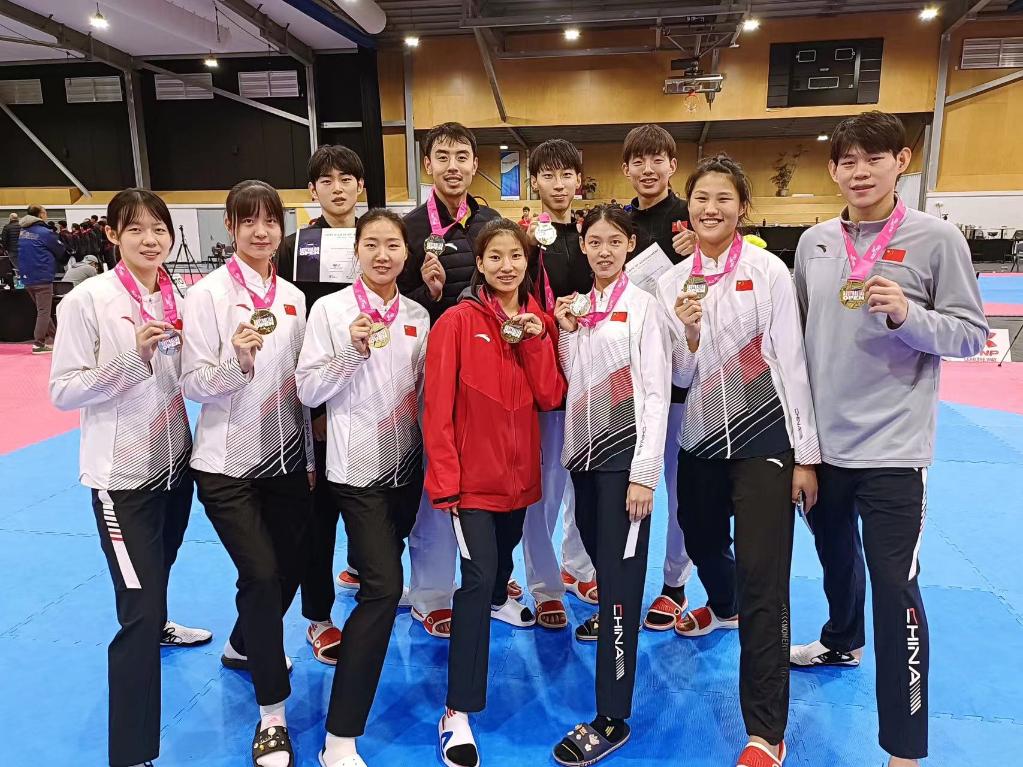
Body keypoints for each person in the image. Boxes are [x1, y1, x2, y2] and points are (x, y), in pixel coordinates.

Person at [790, 111, 988, 767]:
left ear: (901, 161)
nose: (860, 172)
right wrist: (799, 446)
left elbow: (970, 334)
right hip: (822, 450)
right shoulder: (815, 243)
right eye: (847, 161)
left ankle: (904, 750)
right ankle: (840, 640)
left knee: (895, 590)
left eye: (873, 159)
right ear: (832, 169)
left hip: (894, 452)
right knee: (835, 562)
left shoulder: (936, 239)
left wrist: (909, 316)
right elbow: (796, 342)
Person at [657, 155, 820, 767]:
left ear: (742, 209)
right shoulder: (673, 283)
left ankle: (765, 731)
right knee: (699, 538)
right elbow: (677, 375)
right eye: (701, 198)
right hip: (699, 440)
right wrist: (689, 335)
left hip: (765, 441)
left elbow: (791, 362)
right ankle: (722, 606)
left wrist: (806, 455)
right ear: (688, 207)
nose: (711, 208)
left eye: (723, 198)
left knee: (763, 578)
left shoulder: (767, 270)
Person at [49, 188, 212, 767]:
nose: (150, 239)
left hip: (175, 466)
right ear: (113, 235)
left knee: (158, 572)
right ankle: (132, 751)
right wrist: (130, 360)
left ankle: (161, 622)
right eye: (136, 229)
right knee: (136, 610)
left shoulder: (179, 295)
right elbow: (63, 390)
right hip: (121, 477)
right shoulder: (88, 300)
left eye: (159, 229)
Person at [181, 180, 315, 767]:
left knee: (289, 571)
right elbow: (191, 383)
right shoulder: (206, 294)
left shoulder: (294, 297)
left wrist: (309, 459)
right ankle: (272, 714)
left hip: (286, 459)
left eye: (270, 221)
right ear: (231, 228)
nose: (261, 232)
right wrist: (236, 363)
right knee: (260, 575)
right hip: (226, 464)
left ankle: (242, 643)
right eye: (249, 221)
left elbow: (301, 384)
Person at [427, 218, 565, 767]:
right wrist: (446, 481)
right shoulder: (457, 322)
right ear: (480, 264)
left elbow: (550, 395)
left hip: (519, 482)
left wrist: (536, 341)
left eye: (516, 256)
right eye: (496, 257)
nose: (507, 266)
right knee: (478, 577)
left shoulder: (537, 323)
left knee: (498, 566)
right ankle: (456, 711)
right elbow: (436, 407)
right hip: (471, 485)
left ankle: (495, 600)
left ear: (528, 263)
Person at [296, 209, 430, 767]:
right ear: (356, 251)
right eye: (371, 244)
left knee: (383, 575)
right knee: (383, 589)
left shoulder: (417, 315)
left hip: (406, 470)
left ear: (406, 253)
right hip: (354, 472)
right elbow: (307, 390)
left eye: (392, 245)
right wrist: (350, 351)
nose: (382, 254)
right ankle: (340, 737)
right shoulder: (330, 311)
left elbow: (424, 391)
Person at [550, 206, 671, 765]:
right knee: (604, 567)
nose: (603, 251)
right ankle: (612, 634)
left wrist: (645, 473)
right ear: (582, 245)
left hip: (625, 463)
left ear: (630, 245)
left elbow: (655, 394)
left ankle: (612, 717)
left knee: (620, 584)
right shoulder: (581, 306)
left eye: (613, 242)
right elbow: (572, 378)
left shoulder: (644, 306)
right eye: (594, 241)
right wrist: (565, 333)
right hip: (584, 458)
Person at [400, 122, 500, 639]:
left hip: (484, 375)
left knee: (483, 482)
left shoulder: (493, 223)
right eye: (443, 156)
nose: (453, 166)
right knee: (434, 486)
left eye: (462, 156)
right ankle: (431, 593)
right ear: (428, 165)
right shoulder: (409, 227)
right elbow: (392, 304)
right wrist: (428, 292)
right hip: (428, 374)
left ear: (475, 163)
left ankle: (489, 580)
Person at [279, 143, 367, 663]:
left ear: (361, 187)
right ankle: (318, 616)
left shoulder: (380, 239)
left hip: (376, 400)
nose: (337, 188)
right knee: (318, 516)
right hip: (317, 400)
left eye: (346, 178)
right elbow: (290, 334)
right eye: (326, 180)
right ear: (313, 190)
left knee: (376, 501)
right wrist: (311, 411)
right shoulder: (295, 249)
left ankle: (361, 569)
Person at [621, 124, 700, 631]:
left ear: (673, 165)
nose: (648, 169)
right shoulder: (617, 223)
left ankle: (675, 583)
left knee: (678, 487)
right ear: (626, 168)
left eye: (658, 160)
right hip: (627, 379)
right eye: (639, 161)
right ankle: (613, 575)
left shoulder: (695, 218)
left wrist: (701, 249)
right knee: (622, 486)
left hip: (683, 376)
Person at [520, 138, 598, 630]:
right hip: (544, 373)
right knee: (546, 484)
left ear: (579, 180)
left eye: (566, 174)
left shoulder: (595, 234)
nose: (559, 184)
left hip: (591, 371)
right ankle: (544, 584)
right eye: (548, 175)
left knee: (584, 477)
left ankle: (579, 566)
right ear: (534, 182)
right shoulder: (526, 241)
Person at [18, 204, 64, 354]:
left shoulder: (23, 232)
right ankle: (38, 344)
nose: (46, 214)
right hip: (42, 276)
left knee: (43, 310)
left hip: (27, 277)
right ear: (40, 215)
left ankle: (57, 339)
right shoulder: (45, 232)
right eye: (45, 212)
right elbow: (60, 250)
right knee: (44, 311)